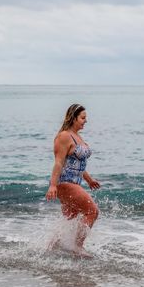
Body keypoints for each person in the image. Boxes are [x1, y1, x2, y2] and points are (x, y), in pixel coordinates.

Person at [46, 104, 100, 258]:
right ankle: (77, 247)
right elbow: (59, 163)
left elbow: (77, 164)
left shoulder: (77, 136)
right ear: (73, 117)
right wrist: (53, 185)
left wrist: (89, 180)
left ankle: (52, 247)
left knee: (70, 219)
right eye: (82, 118)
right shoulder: (64, 136)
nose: (85, 121)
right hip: (65, 182)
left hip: (74, 183)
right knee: (92, 211)